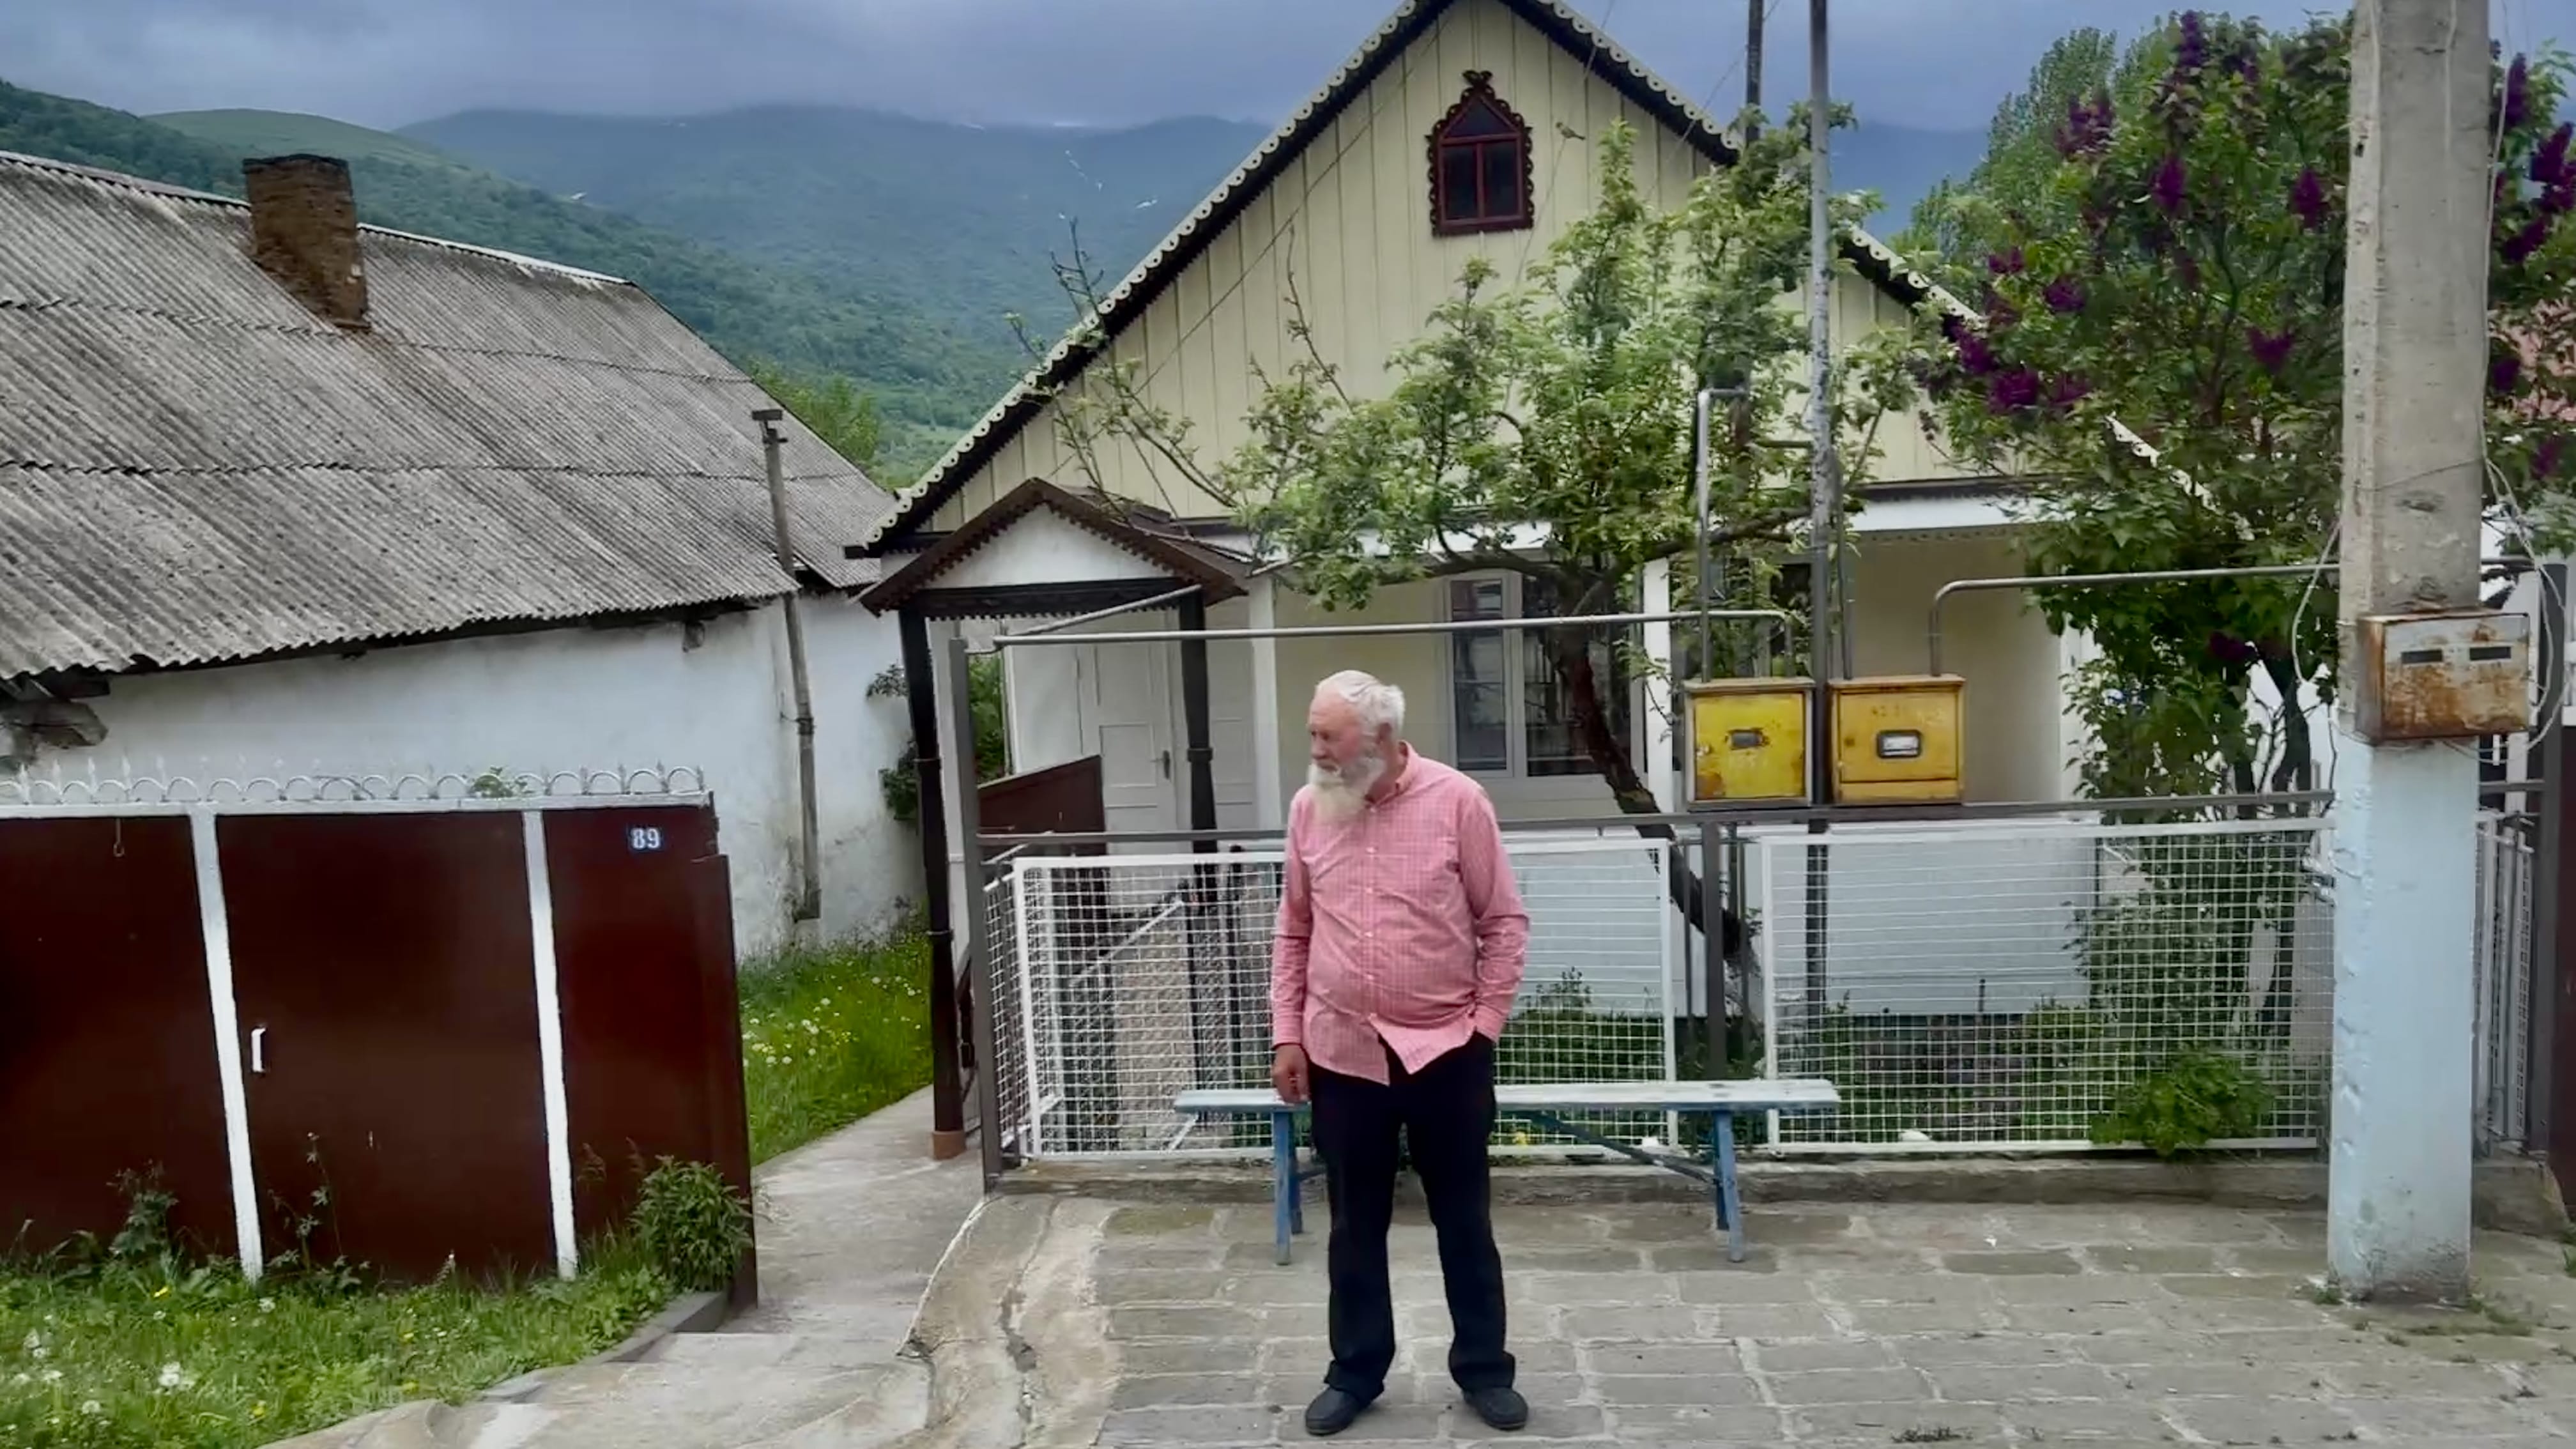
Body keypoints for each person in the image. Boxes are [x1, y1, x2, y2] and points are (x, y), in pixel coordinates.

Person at [1271, 669, 1531, 1439]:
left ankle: (1484, 1371)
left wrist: (1484, 1026)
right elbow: (1294, 929)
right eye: (1314, 734)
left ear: (1380, 737)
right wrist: (1288, 1033)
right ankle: (1355, 1372)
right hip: (1343, 1054)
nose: (1317, 749)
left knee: (1464, 1222)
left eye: (1329, 736)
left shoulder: (1458, 802)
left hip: (1447, 1050)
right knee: (1354, 1228)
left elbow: (1503, 922)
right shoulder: (1308, 810)